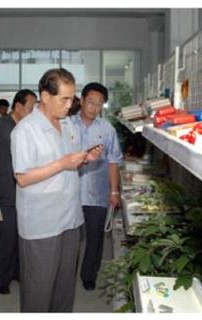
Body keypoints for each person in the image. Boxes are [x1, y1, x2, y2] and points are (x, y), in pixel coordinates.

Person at [11, 68, 102, 312]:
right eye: (64, 99)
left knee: (64, 288)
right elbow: (22, 177)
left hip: (70, 218)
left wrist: (84, 158)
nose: (70, 104)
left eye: (72, 98)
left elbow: (70, 163)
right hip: (42, 223)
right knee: (39, 290)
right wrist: (62, 163)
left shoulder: (68, 125)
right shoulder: (25, 130)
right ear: (45, 96)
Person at [0, 89, 37, 294]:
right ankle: (0, 277)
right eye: (30, 108)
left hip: (26, 192)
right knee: (6, 237)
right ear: (18, 106)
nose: (33, 113)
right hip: (4, 191)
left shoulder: (29, 129)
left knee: (21, 236)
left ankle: (15, 271)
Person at [71, 82, 123, 291]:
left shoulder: (107, 129)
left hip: (97, 194)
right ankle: (67, 274)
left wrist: (114, 191)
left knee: (95, 239)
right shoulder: (67, 125)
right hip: (70, 193)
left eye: (99, 104)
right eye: (90, 102)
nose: (94, 108)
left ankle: (89, 275)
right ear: (82, 100)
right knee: (70, 240)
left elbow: (113, 161)